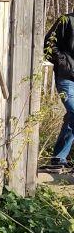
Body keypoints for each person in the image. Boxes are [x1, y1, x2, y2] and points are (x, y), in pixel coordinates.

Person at [44, 12, 74, 172]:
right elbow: (48, 44)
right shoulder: (66, 20)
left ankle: (58, 157)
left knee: (72, 116)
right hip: (67, 77)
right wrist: (63, 63)